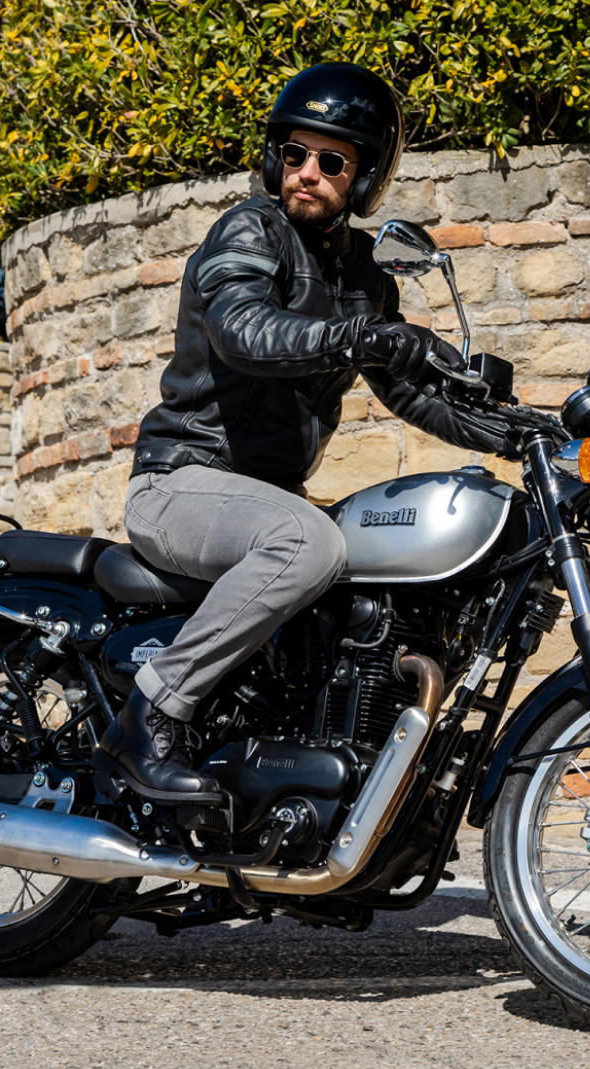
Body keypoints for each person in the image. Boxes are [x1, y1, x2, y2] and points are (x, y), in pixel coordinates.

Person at [94, 62, 506, 803]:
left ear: (365, 177)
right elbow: (242, 329)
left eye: (331, 161)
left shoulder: (365, 276)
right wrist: (361, 338)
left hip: (266, 498)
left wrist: (531, 431)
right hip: (182, 481)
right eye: (295, 153)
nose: (307, 172)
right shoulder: (248, 231)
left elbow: (413, 393)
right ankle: (150, 713)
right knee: (308, 543)